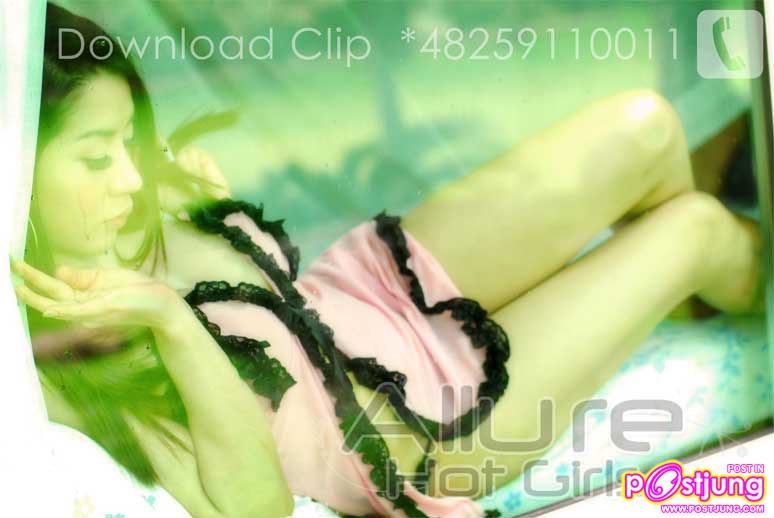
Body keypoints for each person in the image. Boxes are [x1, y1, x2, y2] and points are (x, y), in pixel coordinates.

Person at [12, 3, 763, 517]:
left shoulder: (127, 212)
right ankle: (708, 285)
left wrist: (208, 211)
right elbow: (257, 507)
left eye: (129, 143)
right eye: (97, 156)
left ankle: (686, 296)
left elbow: (273, 306)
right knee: (695, 228)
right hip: (420, 433)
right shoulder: (57, 349)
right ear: (15, 170)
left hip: (362, 295)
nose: (130, 177)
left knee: (646, 128)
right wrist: (172, 323)